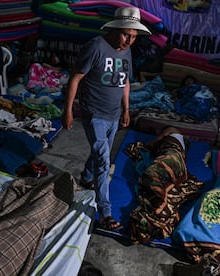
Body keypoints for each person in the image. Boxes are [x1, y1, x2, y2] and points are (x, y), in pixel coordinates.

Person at [62, 7, 152, 230]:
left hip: (113, 113)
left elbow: (125, 81)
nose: (130, 40)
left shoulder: (127, 50)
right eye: (126, 35)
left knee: (99, 153)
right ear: (115, 29)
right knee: (104, 160)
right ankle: (105, 212)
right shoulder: (96, 47)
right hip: (94, 113)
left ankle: (86, 177)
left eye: (134, 36)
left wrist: (127, 109)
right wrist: (68, 110)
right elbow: (75, 78)